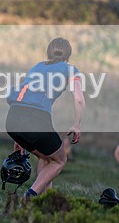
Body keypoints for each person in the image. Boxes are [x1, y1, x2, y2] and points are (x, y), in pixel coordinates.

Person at [5, 37, 86, 198]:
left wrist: (19, 138)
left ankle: (44, 197)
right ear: (68, 54)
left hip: (12, 118)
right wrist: (77, 125)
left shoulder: (37, 67)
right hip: (36, 119)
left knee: (47, 155)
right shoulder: (70, 69)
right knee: (60, 160)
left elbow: (24, 95)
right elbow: (79, 99)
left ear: (48, 52)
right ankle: (30, 196)